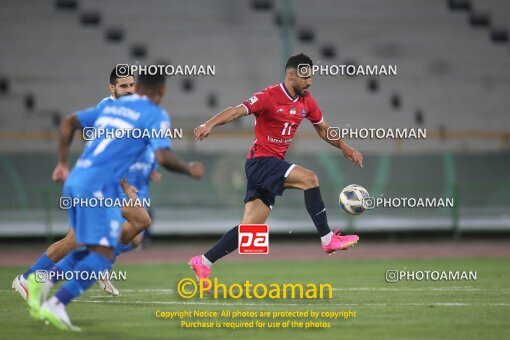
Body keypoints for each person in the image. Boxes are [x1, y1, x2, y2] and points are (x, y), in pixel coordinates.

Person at [26, 73, 203, 331]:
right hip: (97, 187)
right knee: (105, 254)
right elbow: (164, 156)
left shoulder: (113, 106)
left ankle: (44, 282)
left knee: (97, 245)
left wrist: (62, 163)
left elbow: (68, 123)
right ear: (162, 92)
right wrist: (190, 169)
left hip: (78, 179)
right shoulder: (155, 114)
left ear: (138, 87)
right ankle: (52, 295)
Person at [189, 53, 363, 288]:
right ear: (291, 75)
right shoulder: (268, 96)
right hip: (261, 162)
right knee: (310, 179)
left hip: (267, 167)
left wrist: (344, 146)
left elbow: (323, 129)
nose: (309, 82)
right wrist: (208, 124)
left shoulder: (306, 101)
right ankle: (327, 238)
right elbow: (236, 110)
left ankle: (204, 261)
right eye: (305, 78)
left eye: (311, 77)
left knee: (250, 230)